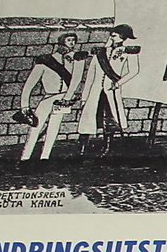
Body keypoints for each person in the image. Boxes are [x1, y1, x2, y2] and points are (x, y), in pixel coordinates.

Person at [16, 32, 92, 161]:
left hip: (63, 98)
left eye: (73, 40)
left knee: (53, 128)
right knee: (35, 127)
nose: (72, 43)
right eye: (69, 40)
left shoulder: (78, 58)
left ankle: (45, 157)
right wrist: (25, 106)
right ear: (62, 41)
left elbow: (76, 80)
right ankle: (25, 157)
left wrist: (67, 98)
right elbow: (29, 85)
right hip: (48, 98)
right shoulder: (45, 60)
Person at [79, 24, 141, 155]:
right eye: (112, 34)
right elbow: (91, 75)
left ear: (123, 36)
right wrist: (84, 96)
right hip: (95, 91)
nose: (112, 36)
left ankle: (107, 147)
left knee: (110, 118)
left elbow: (134, 71)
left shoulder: (128, 52)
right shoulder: (100, 52)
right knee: (88, 118)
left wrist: (118, 83)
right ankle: (83, 148)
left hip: (110, 90)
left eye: (116, 34)